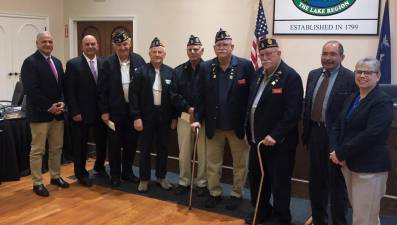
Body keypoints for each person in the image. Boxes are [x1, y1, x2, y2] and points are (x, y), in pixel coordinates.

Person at [191, 28, 254, 210]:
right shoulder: (205, 67)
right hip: (214, 125)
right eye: (218, 45)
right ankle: (214, 192)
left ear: (232, 46)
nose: (222, 47)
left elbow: (251, 96)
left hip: (237, 127)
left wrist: (248, 123)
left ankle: (236, 193)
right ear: (214, 47)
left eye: (225, 44)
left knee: (240, 163)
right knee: (213, 163)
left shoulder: (245, 66)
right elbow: (200, 97)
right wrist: (197, 118)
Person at [245, 38, 303, 225]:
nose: (264, 57)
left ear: (279, 53)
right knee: (256, 180)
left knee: (279, 184)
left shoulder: (290, 76)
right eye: (262, 54)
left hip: (279, 144)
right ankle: (262, 212)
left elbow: (293, 113)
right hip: (257, 142)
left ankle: (281, 217)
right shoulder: (258, 74)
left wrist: (275, 135)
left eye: (269, 53)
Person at [329, 57, 393, 225]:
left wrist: (341, 152)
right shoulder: (353, 97)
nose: (362, 75)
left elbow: (372, 134)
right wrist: (335, 151)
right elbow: (337, 125)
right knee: (363, 214)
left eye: (368, 72)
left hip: (369, 168)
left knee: (364, 218)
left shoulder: (382, 101)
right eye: (359, 71)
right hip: (349, 164)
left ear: (378, 75)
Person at [302, 40, 356, 225]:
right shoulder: (313, 75)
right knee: (316, 183)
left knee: (337, 187)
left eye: (333, 54)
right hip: (315, 134)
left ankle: (339, 222)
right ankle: (319, 220)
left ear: (342, 57)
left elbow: (353, 113)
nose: (328, 58)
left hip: (337, 139)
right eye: (325, 53)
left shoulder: (350, 78)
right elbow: (307, 104)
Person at [130, 37, 190, 193]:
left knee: (163, 148)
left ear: (164, 54)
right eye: (154, 52)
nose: (157, 54)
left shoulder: (171, 72)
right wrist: (136, 117)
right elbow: (134, 95)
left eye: (160, 52)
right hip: (146, 117)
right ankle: (144, 179)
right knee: (145, 149)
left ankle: (161, 177)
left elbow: (174, 96)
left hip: (164, 117)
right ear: (149, 54)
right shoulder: (141, 72)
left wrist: (174, 117)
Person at [21, 31, 69, 197]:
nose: (48, 44)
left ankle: (55, 176)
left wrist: (63, 102)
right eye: (44, 42)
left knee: (57, 148)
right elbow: (31, 90)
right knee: (38, 150)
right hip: (40, 114)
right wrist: (49, 106)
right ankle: (37, 182)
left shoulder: (56, 62)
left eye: (50, 41)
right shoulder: (30, 62)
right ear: (37, 43)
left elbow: (62, 87)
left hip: (57, 114)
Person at [98, 30, 145, 187]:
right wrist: (104, 111)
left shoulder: (139, 60)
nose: (123, 48)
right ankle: (115, 174)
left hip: (133, 111)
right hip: (114, 112)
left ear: (130, 43)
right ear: (114, 46)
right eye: (119, 45)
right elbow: (102, 90)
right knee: (114, 145)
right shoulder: (107, 63)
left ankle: (127, 172)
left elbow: (143, 88)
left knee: (131, 144)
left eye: (125, 44)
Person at [65, 35, 108, 187]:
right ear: (82, 46)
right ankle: (81, 173)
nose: (90, 46)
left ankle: (100, 167)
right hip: (81, 113)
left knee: (102, 142)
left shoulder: (104, 63)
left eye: (93, 44)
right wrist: (74, 111)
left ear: (97, 45)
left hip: (101, 112)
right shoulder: (73, 64)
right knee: (80, 144)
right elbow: (69, 91)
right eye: (87, 44)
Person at [174, 35, 208, 196]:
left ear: (202, 50)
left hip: (203, 118)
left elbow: (211, 94)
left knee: (203, 152)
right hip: (185, 117)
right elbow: (174, 95)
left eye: (196, 49)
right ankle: (184, 181)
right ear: (186, 51)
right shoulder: (178, 70)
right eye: (190, 49)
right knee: (184, 152)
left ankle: (202, 183)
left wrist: (198, 111)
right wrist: (188, 108)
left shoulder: (209, 69)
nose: (193, 52)